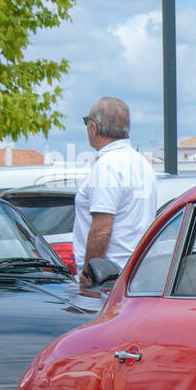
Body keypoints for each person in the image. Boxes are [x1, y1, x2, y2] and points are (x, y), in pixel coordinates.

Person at [74, 97, 157, 291]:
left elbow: (102, 229)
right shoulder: (142, 163)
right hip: (136, 272)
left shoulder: (107, 166)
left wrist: (88, 275)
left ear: (93, 127)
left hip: (106, 279)